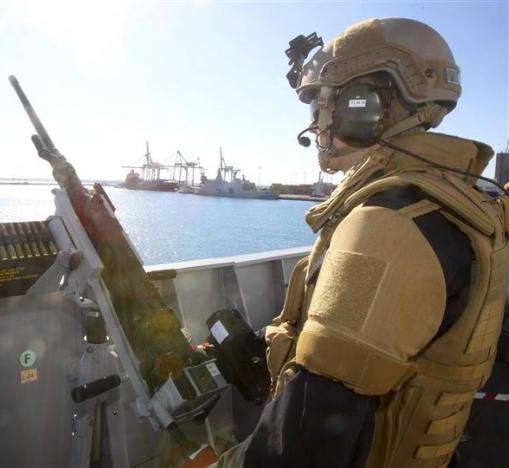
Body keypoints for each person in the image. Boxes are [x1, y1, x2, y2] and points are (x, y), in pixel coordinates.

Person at [216, 17, 509, 467]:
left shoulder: (387, 226)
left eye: (321, 105)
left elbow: (304, 442)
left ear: (363, 106)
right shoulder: (462, 197)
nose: (315, 124)